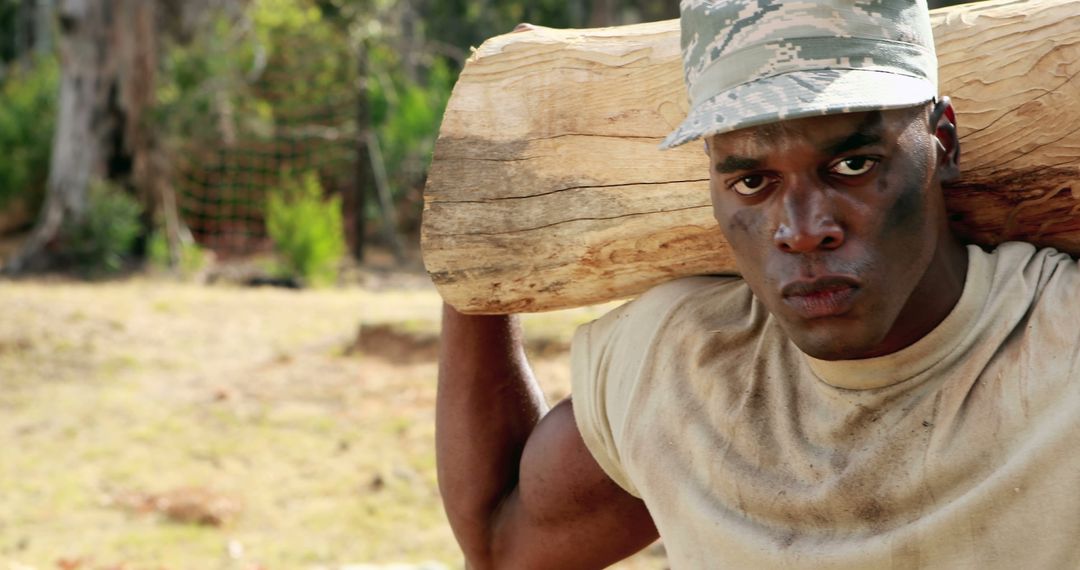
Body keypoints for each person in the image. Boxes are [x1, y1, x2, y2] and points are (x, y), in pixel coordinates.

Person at [436, 0, 1080, 568]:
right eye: (752, 182)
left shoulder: (1062, 345)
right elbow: (500, 546)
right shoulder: (675, 365)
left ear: (942, 141)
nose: (802, 230)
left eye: (853, 165)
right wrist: (474, 250)